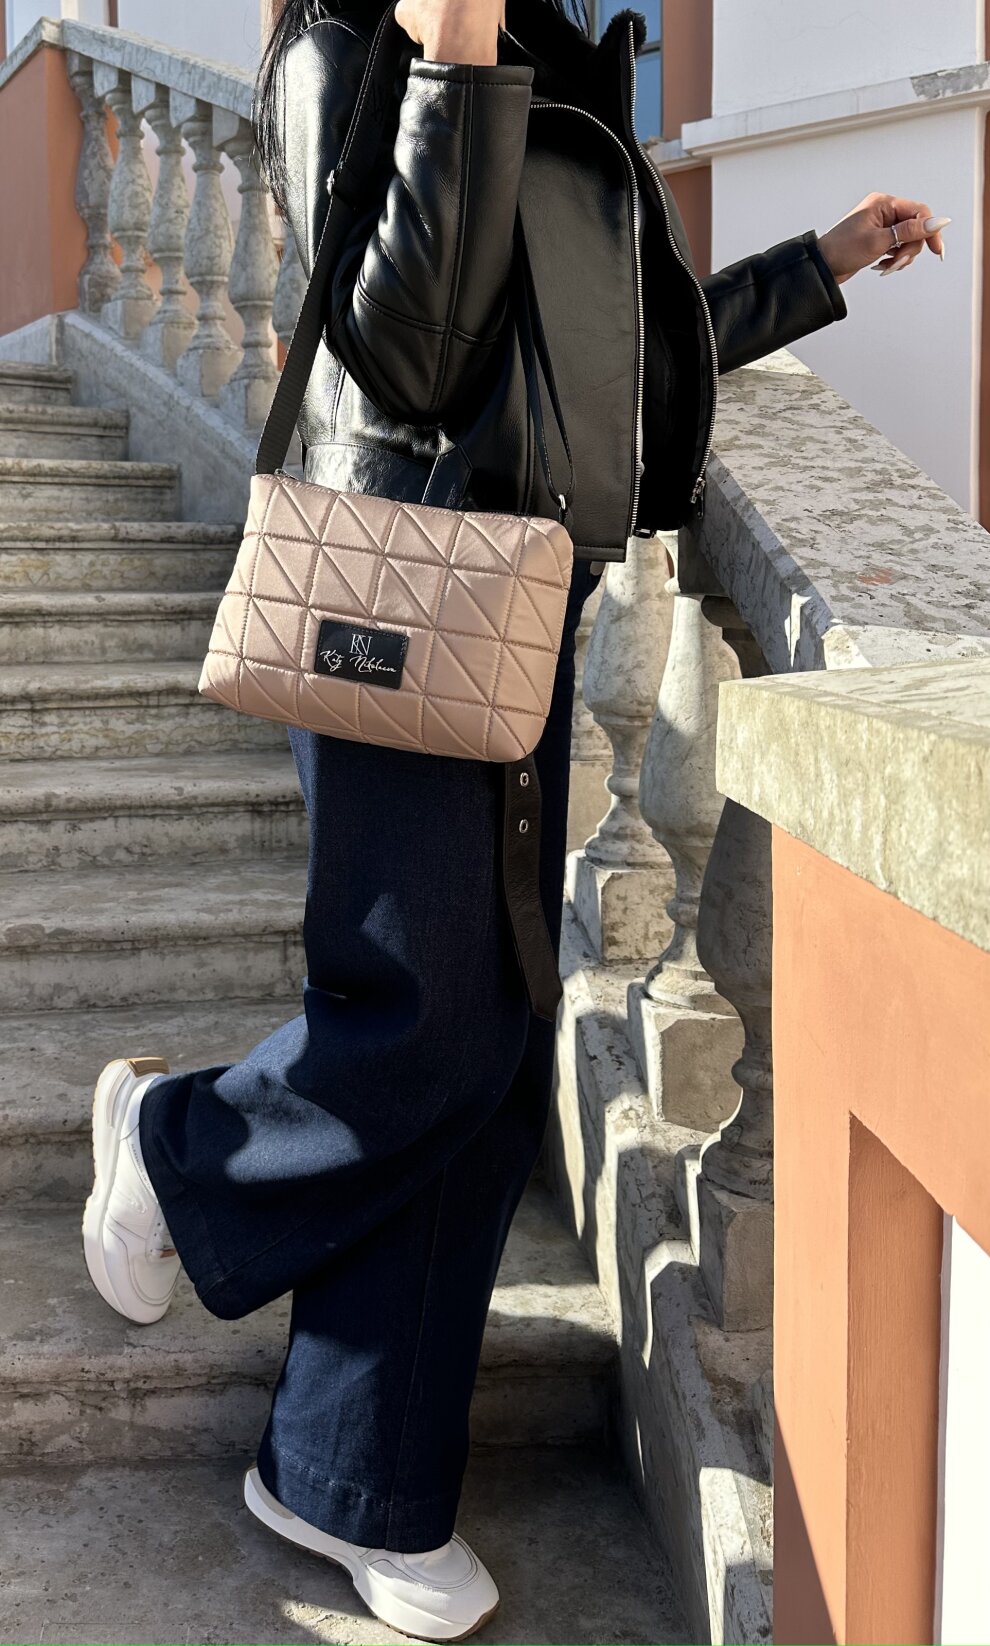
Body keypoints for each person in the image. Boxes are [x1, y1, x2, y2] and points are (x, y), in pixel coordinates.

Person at [81, 1, 949, 1639]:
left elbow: (611, 350)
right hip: (397, 604)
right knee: (423, 1023)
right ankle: (180, 1145)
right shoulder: (346, 44)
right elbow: (402, 350)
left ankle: (350, 1475)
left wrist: (816, 265)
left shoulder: (540, 48)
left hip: (515, 607)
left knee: (488, 1057)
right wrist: (456, 61)